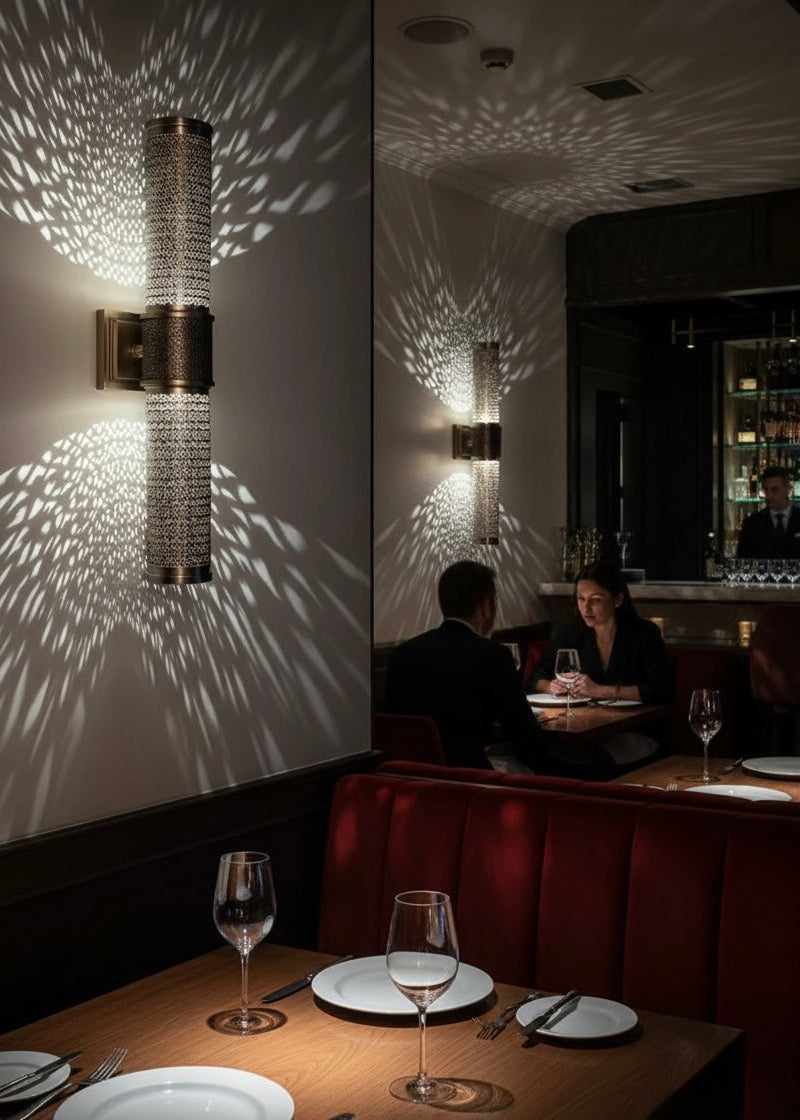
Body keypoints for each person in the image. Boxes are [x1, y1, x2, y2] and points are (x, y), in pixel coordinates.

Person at [385, 560, 546, 771]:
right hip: (468, 780)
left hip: (408, 776)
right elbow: (523, 735)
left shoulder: (401, 655)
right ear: (486, 606)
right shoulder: (493, 656)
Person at [532, 560, 674, 773]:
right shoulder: (570, 632)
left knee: (591, 760)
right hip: (587, 733)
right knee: (547, 756)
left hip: (637, 733)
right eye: (581, 599)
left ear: (617, 599)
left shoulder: (643, 633)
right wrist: (551, 686)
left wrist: (600, 690)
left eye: (595, 600)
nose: (586, 608)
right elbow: (537, 677)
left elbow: (663, 690)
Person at [736, 466, 800, 559]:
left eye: (774, 490)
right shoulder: (752, 523)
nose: (769, 495)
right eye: (766, 490)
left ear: (787, 489)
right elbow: (742, 561)